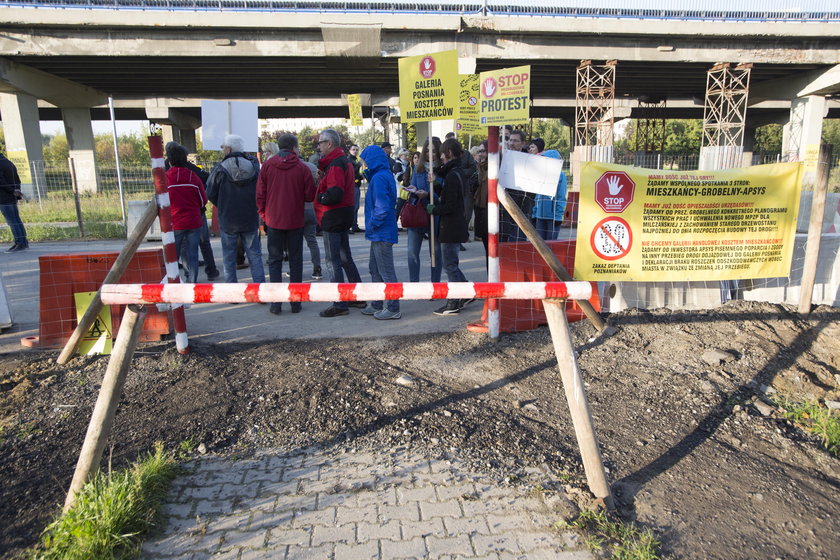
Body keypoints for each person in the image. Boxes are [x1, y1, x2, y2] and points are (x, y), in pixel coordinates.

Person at [257, 134, 315, 315]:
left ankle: (276, 303)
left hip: (274, 220)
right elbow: (309, 196)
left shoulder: (267, 166)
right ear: (294, 147)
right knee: (295, 261)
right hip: (295, 220)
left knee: (274, 261)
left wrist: (264, 216)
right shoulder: (302, 168)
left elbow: (260, 195)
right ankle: (295, 302)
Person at [314, 129, 366, 317]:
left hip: (333, 217)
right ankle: (357, 296)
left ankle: (340, 303)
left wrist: (319, 195)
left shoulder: (336, 164)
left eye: (320, 142)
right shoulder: (343, 161)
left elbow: (334, 194)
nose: (318, 146)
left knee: (333, 260)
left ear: (330, 144)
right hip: (342, 216)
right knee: (345, 258)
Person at [206, 134, 266, 285]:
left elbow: (210, 192)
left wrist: (223, 204)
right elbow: (261, 189)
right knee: (255, 256)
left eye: (224, 148)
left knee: (228, 257)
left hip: (229, 219)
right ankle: (260, 289)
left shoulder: (220, 168)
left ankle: (232, 292)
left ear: (228, 148)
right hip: (250, 217)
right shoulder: (253, 167)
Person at [426, 138, 471, 315]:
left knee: (450, 265)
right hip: (455, 225)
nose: (440, 157)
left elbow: (450, 205)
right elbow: (450, 197)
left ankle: (454, 301)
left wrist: (434, 209)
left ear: (449, 153)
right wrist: (437, 186)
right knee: (452, 264)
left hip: (451, 227)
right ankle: (467, 291)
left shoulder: (453, 175)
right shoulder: (456, 172)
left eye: (442, 153)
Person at [165, 142, 219, 280]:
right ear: (185, 159)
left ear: (170, 160)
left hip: (175, 221)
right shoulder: (192, 176)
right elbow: (203, 199)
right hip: (194, 220)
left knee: (173, 255)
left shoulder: (165, 178)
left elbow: (161, 201)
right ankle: (192, 282)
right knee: (194, 252)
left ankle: (173, 282)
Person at [360, 145, 401, 320]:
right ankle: (377, 303)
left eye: (365, 162)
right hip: (380, 231)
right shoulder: (381, 175)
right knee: (375, 269)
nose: (363, 165)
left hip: (381, 231)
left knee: (385, 271)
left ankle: (393, 307)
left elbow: (382, 208)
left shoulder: (379, 178)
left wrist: (371, 224)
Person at [405, 137, 442, 284]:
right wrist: (412, 190)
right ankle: (414, 285)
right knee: (412, 252)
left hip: (435, 215)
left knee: (436, 253)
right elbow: (413, 186)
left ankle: (435, 285)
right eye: (427, 150)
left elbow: (445, 192)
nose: (430, 154)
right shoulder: (417, 168)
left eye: (433, 151)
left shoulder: (442, 169)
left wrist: (430, 193)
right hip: (418, 214)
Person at [532, 149, 568, 241]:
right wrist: (534, 213)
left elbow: (561, 196)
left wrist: (558, 216)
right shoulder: (541, 175)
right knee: (540, 243)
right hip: (539, 217)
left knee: (551, 244)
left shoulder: (560, 175)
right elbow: (537, 196)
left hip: (553, 217)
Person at [0, 153, 28, 252]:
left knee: (12, 222)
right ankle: (23, 242)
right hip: (12, 196)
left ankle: (19, 243)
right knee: (16, 220)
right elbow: (17, 179)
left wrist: (12, 191)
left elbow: (1, 182)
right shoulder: (8, 163)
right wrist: (16, 191)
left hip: (4, 197)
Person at [470, 142, 489, 266]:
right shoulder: (478, 168)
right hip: (482, 211)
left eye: (483, 151)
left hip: (492, 213)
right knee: (488, 252)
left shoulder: (494, 167)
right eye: (479, 151)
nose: (481, 154)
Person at [347, 144, 364, 233]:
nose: (355, 151)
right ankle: (350, 226)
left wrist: (360, 176)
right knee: (353, 206)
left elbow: (356, 173)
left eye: (357, 149)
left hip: (356, 185)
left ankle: (354, 225)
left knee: (356, 206)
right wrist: (359, 164)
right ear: (349, 150)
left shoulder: (354, 160)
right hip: (352, 186)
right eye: (353, 149)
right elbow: (352, 172)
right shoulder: (349, 160)